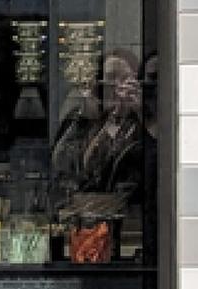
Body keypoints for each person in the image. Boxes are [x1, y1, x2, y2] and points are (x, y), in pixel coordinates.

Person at [48, 48, 154, 261]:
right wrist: (83, 118)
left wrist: (142, 114)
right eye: (110, 80)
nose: (116, 88)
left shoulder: (141, 123)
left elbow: (154, 162)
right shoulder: (88, 122)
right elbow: (60, 161)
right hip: (86, 226)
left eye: (124, 79)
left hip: (130, 227)